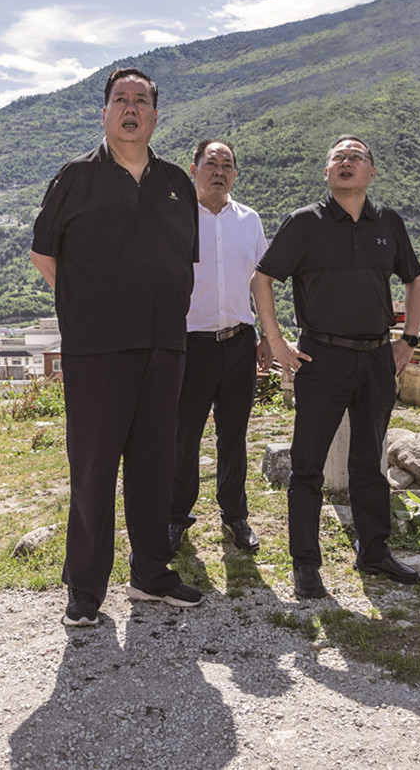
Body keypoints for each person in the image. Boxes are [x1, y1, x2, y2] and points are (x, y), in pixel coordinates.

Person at [30, 67, 204, 627]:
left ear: (154, 114)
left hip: (165, 346)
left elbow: (183, 260)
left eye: (141, 100)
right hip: (97, 349)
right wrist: (88, 306)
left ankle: (151, 573)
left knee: (155, 464)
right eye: (121, 99)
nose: (131, 108)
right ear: (104, 112)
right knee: (94, 467)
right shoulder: (75, 177)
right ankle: (85, 589)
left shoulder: (177, 182)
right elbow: (43, 254)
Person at [251, 135, 420, 599]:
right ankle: (306, 563)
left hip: (376, 358)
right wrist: (276, 341)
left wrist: (408, 339)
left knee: (369, 461)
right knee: (307, 465)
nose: (347, 162)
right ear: (326, 172)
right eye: (338, 157)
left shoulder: (388, 222)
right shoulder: (304, 223)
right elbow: (262, 278)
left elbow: (416, 278)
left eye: (357, 157)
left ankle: (374, 550)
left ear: (372, 172)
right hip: (321, 357)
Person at [168, 139, 271, 556]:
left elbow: (260, 281)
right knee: (184, 437)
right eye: (211, 163)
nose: (219, 171)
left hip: (239, 343)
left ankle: (235, 515)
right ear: (193, 169)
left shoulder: (249, 220)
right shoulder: (176, 218)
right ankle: (176, 516)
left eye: (227, 165)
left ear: (235, 174)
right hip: (190, 345)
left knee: (234, 435)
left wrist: (268, 335)